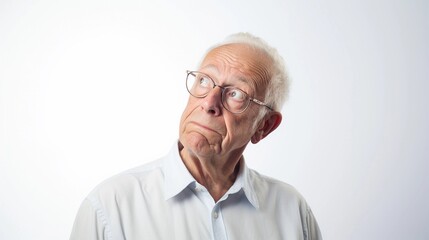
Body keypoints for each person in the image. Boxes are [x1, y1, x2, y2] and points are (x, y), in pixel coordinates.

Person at [70, 33, 322, 240]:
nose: (209, 103)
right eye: (204, 80)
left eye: (236, 94)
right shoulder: (109, 206)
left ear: (264, 126)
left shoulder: (293, 212)